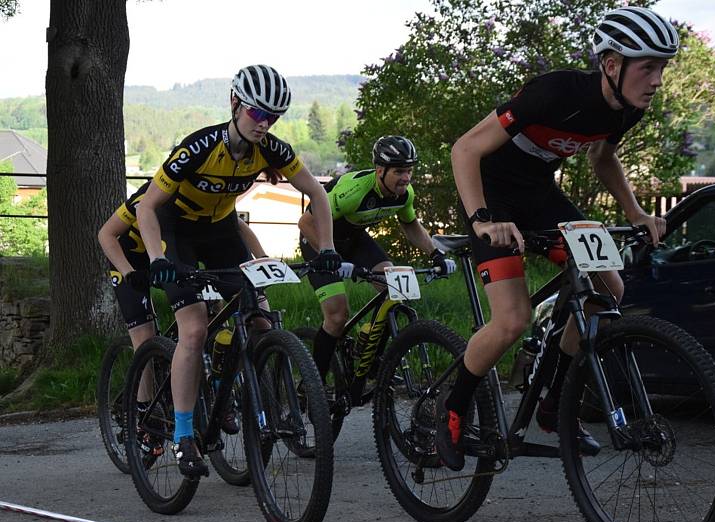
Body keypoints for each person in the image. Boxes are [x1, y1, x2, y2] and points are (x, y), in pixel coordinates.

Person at [439, 6, 677, 470]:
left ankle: (552, 402)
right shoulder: (553, 93)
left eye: (662, 67)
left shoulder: (627, 109)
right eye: (648, 66)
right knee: (513, 319)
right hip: (492, 199)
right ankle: (451, 408)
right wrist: (483, 218)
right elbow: (465, 148)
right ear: (613, 64)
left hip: (541, 198)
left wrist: (637, 212)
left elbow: (602, 161)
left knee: (608, 290)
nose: (657, 80)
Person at [135, 65, 340, 478]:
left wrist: (329, 248)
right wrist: (158, 259)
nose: (264, 124)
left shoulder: (272, 149)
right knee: (193, 329)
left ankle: (238, 390)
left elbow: (316, 192)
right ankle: (184, 435)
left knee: (260, 314)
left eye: (273, 117)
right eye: (256, 114)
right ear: (234, 103)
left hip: (222, 230)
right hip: (178, 231)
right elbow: (146, 206)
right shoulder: (199, 147)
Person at [97, 180, 270, 455]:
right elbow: (106, 234)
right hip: (132, 260)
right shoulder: (148, 199)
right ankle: (145, 413)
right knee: (144, 337)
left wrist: (263, 258)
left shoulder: (197, 197)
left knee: (212, 315)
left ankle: (218, 389)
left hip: (172, 255)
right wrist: (128, 272)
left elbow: (234, 225)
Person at [298, 136, 456, 384]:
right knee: (338, 315)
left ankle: (372, 360)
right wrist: (330, 256)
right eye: (399, 171)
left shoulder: (404, 194)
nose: (406, 177)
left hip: (354, 238)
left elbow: (411, 225)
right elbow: (306, 222)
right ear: (380, 171)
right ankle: (314, 382)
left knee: (391, 286)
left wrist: (435, 253)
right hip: (318, 239)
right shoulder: (354, 192)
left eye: (410, 171)